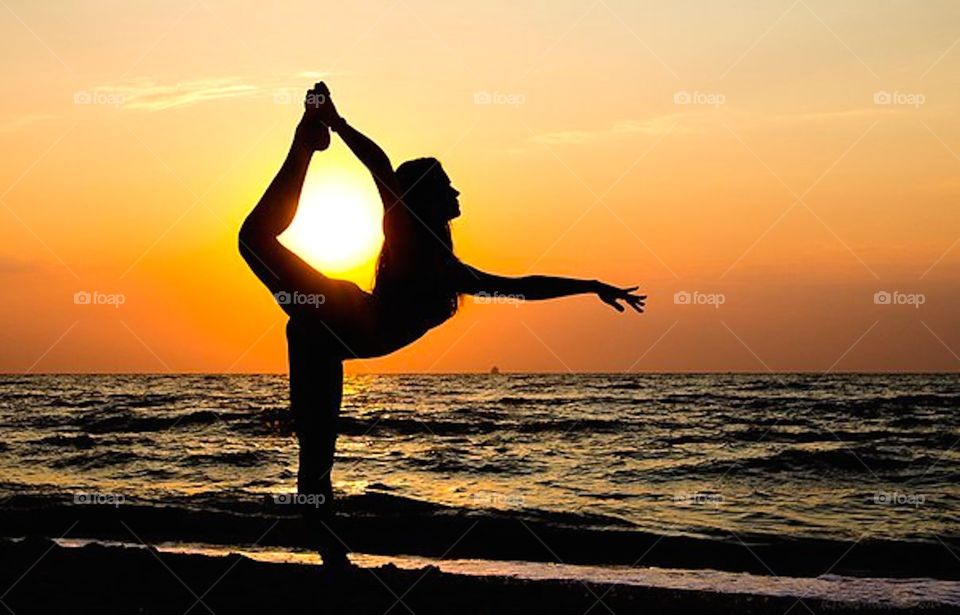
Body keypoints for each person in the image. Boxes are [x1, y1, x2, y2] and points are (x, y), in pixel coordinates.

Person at [239, 82, 645, 570]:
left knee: (316, 446)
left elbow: (522, 286)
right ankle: (306, 143)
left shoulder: (448, 268)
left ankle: (329, 553)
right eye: (446, 185)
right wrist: (338, 122)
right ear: (426, 199)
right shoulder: (408, 234)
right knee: (253, 238)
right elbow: (379, 165)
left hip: (326, 336)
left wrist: (590, 285)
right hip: (339, 313)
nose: (456, 192)